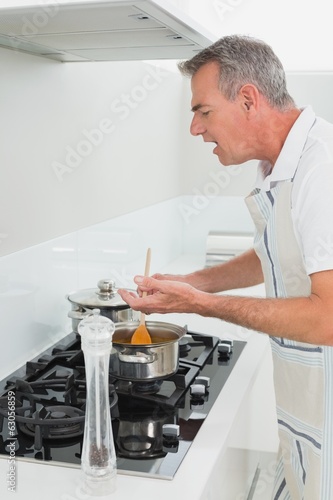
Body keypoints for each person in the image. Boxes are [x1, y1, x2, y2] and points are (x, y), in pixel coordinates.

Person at [118, 35, 333, 499]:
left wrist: (202, 304)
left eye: (203, 111)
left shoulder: (323, 168)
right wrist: (190, 282)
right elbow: (277, 252)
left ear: (249, 99)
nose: (195, 129)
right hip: (307, 400)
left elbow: (328, 317)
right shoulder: (282, 164)